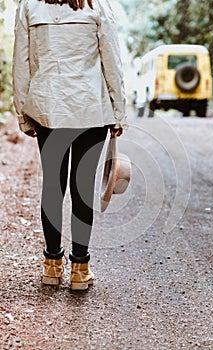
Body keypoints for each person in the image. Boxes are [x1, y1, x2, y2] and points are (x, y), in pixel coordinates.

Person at [12, 0, 127, 290]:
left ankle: (51, 267)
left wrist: (23, 111)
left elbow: (21, 64)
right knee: (82, 188)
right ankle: (80, 269)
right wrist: (119, 110)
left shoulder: (29, 6)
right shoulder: (98, 6)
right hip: (91, 109)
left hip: (48, 109)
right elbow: (111, 60)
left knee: (53, 186)